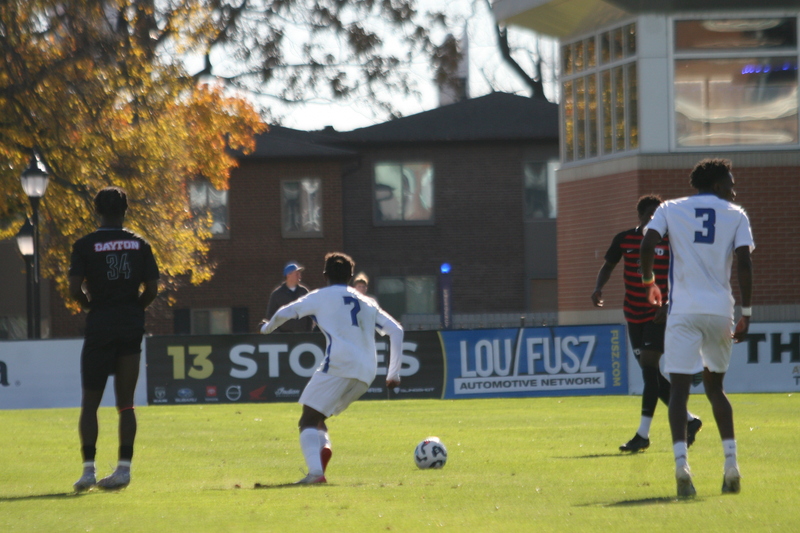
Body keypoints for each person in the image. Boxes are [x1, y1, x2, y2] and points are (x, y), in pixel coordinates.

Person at [640, 158, 754, 498]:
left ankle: (681, 468)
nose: (734, 190)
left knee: (678, 391)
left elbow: (648, 245)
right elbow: (745, 263)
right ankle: (731, 465)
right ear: (718, 185)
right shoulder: (737, 215)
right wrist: (746, 312)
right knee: (716, 388)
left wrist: (649, 282)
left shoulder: (669, 208)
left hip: (683, 311)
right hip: (720, 311)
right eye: (731, 184)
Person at [260, 252, 403, 484]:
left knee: (306, 419)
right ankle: (323, 448)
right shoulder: (367, 302)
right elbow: (397, 330)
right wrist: (393, 374)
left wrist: (266, 328)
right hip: (367, 373)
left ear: (325, 274)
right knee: (318, 415)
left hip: (339, 364)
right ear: (351, 276)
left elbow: (284, 313)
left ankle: (315, 474)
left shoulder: (320, 296)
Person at [592, 195, 702, 453]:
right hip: (633, 313)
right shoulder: (624, 239)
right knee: (649, 373)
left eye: (659, 213)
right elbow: (608, 265)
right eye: (650, 213)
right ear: (640, 215)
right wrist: (598, 288)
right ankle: (689, 420)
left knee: (649, 366)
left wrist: (668, 305)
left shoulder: (671, 240)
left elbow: (685, 275)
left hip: (659, 314)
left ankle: (642, 434)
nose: (655, 218)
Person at [68, 187, 160, 492]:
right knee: (126, 405)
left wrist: (91, 306)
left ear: (97, 211)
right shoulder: (140, 244)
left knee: (90, 404)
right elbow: (152, 289)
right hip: (130, 326)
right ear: (126, 210)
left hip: (100, 326)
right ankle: (123, 469)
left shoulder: (84, 245)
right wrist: (135, 308)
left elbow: (74, 288)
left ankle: (87, 471)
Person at [266, 262, 314, 332]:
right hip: (284, 337)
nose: (300, 276)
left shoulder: (304, 292)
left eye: (299, 274)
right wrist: (277, 333)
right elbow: (270, 316)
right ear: (288, 275)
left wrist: (308, 332)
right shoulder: (277, 294)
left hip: (302, 336)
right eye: (297, 274)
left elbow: (310, 313)